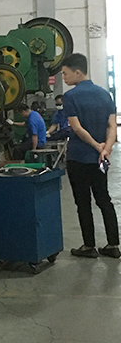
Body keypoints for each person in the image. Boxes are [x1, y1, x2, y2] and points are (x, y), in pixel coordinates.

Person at [61, 53, 119, 258]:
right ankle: (113, 245)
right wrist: (105, 149)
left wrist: (95, 145)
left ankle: (89, 246)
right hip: (100, 160)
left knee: (83, 203)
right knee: (104, 200)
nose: (64, 78)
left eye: (65, 73)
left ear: (77, 72)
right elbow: (112, 126)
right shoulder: (105, 94)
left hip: (78, 158)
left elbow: (76, 128)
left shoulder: (70, 96)